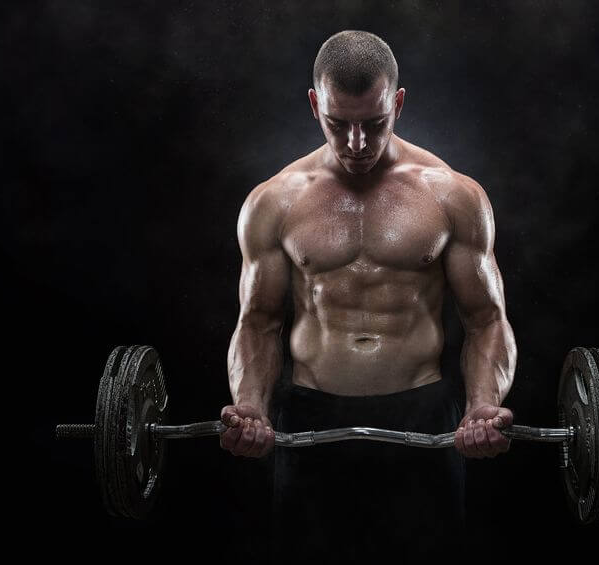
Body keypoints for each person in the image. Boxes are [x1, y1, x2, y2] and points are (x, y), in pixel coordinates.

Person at [219, 30, 517, 561]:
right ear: (315, 105)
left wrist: (481, 407)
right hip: (310, 420)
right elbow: (258, 321)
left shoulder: (453, 196)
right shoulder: (274, 202)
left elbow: (486, 320)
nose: (357, 142)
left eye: (374, 123)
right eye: (339, 123)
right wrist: (251, 406)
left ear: (397, 102)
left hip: (424, 418)